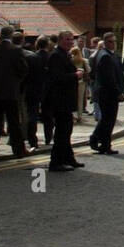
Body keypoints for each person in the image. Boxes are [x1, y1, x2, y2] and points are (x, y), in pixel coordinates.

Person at [0, 26, 28, 157]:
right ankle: (19, 150)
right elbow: (24, 70)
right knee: (13, 122)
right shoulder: (16, 51)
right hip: (10, 92)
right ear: (11, 36)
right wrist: (15, 82)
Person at [47, 31, 85, 171]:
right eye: (67, 39)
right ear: (60, 40)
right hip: (59, 100)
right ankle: (56, 162)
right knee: (62, 132)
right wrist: (75, 75)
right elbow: (57, 78)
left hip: (65, 100)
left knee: (66, 130)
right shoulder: (56, 56)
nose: (70, 42)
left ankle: (69, 158)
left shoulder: (64, 54)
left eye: (71, 39)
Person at [89, 33, 124, 154]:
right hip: (107, 93)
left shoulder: (109, 55)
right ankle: (95, 139)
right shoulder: (105, 56)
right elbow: (109, 78)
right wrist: (118, 92)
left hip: (106, 92)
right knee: (108, 120)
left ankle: (105, 144)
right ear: (105, 42)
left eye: (114, 41)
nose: (113, 44)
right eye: (110, 41)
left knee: (108, 120)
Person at [25, 35, 51, 150]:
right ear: (47, 45)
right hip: (48, 90)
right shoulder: (51, 57)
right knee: (48, 116)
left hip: (33, 89)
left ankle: (33, 140)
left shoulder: (31, 57)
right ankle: (48, 138)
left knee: (32, 116)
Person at [70, 45, 88, 123]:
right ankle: (79, 116)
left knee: (72, 98)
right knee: (80, 99)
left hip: (72, 81)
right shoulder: (83, 60)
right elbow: (89, 70)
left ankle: (73, 115)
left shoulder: (70, 60)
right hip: (81, 82)